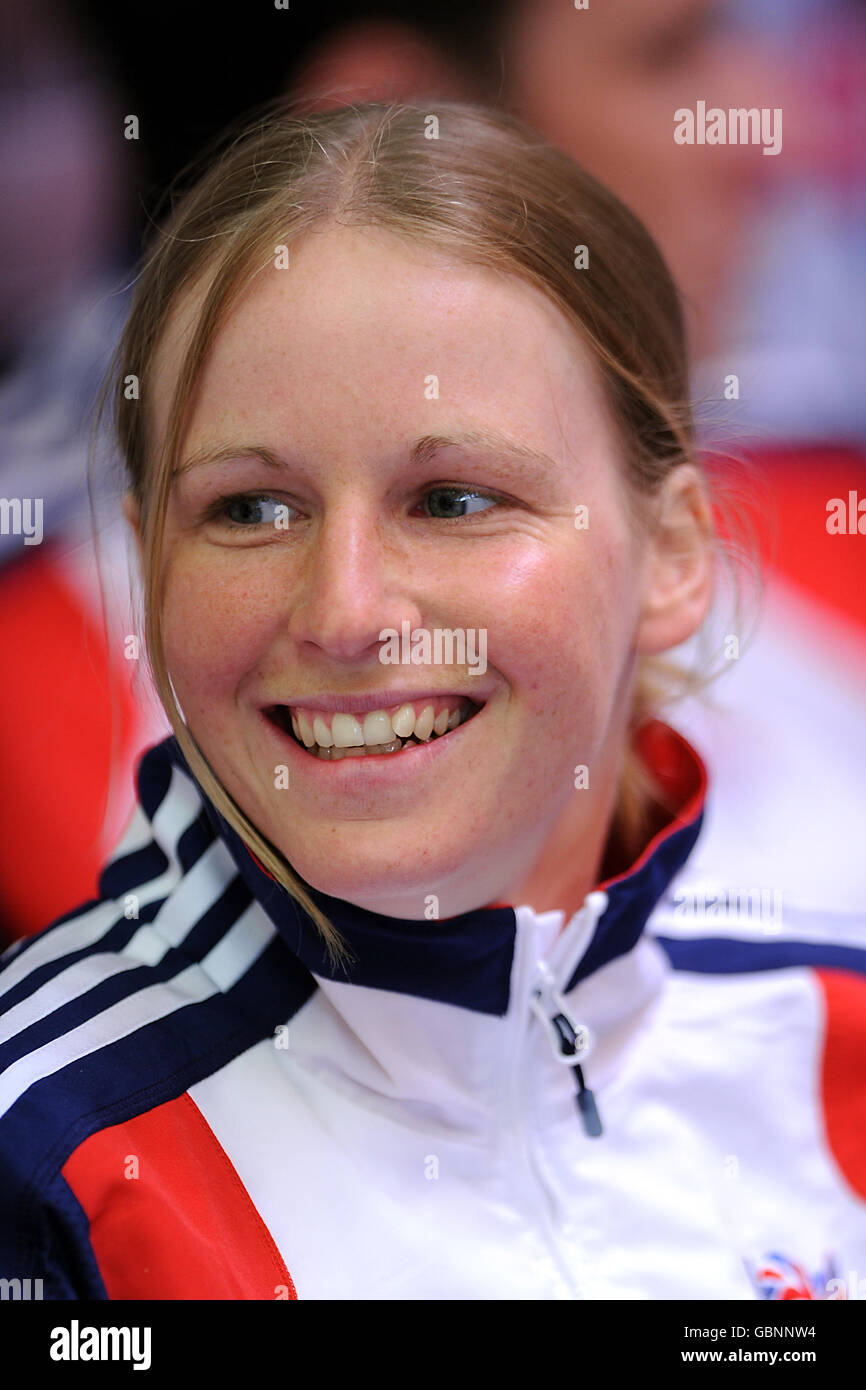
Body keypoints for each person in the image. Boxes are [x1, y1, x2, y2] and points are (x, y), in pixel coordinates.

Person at [0, 99, 863, 1302]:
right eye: (251, 510)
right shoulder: (38, 1151)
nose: (344, 611)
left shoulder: (837, 1034)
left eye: (452, 500)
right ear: (149, 563)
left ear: (671, 558)